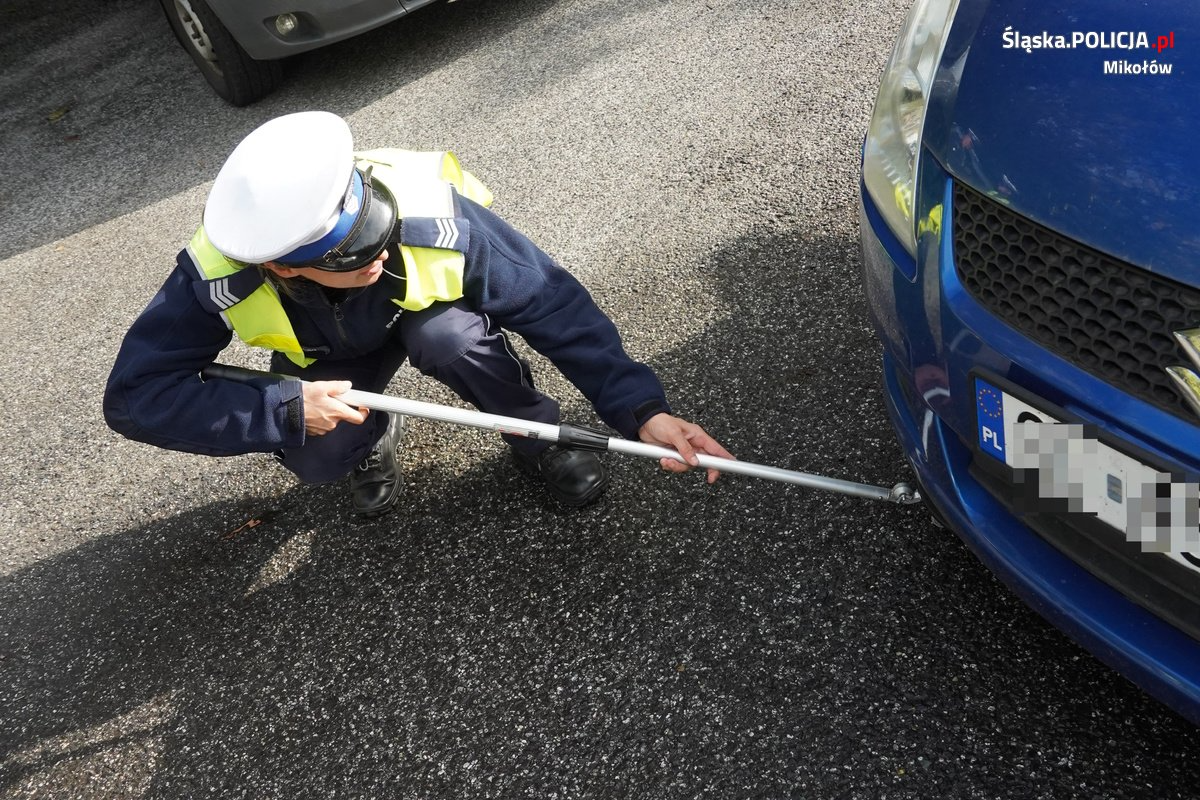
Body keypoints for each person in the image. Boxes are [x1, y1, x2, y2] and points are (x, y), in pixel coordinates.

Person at [104, 111, 732, 518]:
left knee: (452, 340)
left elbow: (550, 300)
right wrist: (286, 410)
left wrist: (640, 409)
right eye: (353, 256)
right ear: (286, 267)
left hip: (427, 314)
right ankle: (373, 435)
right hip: (327, 353)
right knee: (318, 457)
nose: (378, 252)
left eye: (379, 231)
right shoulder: (218, 270)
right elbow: (136, 397)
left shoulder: (427, 208)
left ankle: (533, 435)